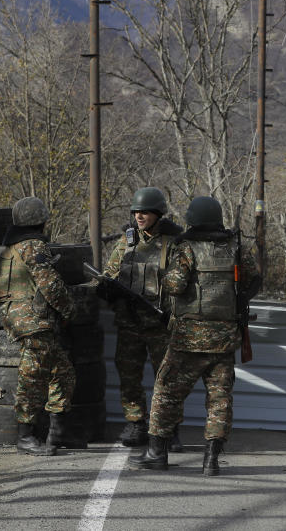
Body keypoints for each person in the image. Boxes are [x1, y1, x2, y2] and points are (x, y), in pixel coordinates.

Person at [128, 196, 261, 476]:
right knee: (219, 399)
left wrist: (163, 279)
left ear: (193, 219)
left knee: (166, 392)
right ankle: (211, 459)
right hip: (224, 337)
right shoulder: (235, 247)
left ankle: (156, 453)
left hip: (189, 338)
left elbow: (175, 286)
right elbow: (254, 279)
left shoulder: (187, 247)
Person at [0, 196, 86, 455]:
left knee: (62, 371)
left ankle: (56, 434)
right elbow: (51, 286)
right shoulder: (33, 246)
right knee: (33, 375)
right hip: (33, 320)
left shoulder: (11, 249)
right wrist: (70, 311)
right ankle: (25, 435)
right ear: (40, 221)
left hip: (20, 318)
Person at [100, 187, 183, 450]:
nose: (139, 216)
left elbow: (184, 281)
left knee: (167, 378)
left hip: (160, 324)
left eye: (144, 211)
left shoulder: (175, 242)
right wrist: (108, 286)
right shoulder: (127, 241)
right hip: (129, 323)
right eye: (136, 211)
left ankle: (169, 428)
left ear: (158, 213)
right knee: (128, 374)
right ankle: (136, 422)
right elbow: (111, 271)